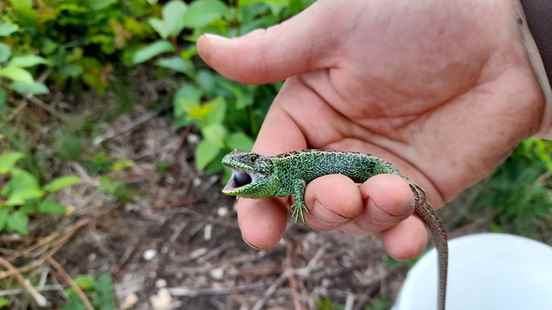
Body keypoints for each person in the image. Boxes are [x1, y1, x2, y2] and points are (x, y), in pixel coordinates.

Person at [196, 0, 552, 260]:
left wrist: (522, 38)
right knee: (382, 198)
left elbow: (301, 185)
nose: (242, 170)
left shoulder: (286, 176)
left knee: (381, 192)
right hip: (367, 167)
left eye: (248, 164)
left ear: (264, 170)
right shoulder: (280, 172)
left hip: (367, 167)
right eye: (246, 168)